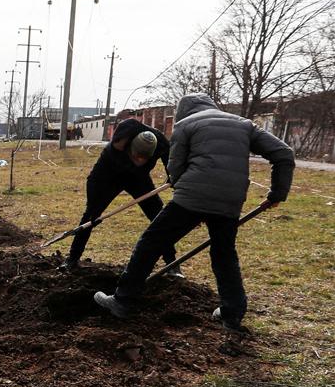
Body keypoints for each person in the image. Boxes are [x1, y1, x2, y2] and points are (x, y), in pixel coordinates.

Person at [93, 94, 294, 331]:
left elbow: (175, 167)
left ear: (182, 112)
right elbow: (283, 153)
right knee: (224, 255)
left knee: (151, 242)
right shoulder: (244, 124)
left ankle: (122, 301)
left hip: (193, 195)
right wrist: (277, 194)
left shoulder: (185, 124)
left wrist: (185, 194)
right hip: (231, 199)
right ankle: (232, 314)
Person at [61, 120, 179, 274]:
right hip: (108, 176)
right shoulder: (120, 140)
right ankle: (72, 258)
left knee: (158, 216)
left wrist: (173, 176)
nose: (140, 161)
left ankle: (172, 264)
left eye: (144, 159)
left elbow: (171, 162)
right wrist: (94, 204)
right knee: (91, 217)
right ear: (128, 147)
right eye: (136, 157)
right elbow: (95, 180)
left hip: (138, 179)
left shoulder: (160, 144)